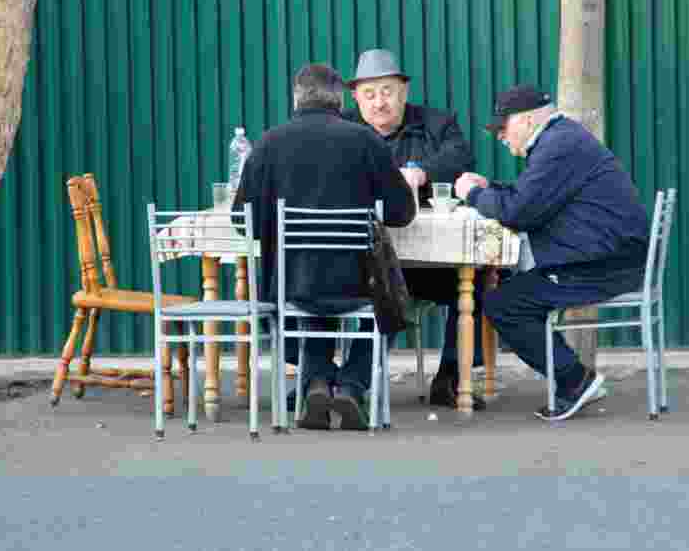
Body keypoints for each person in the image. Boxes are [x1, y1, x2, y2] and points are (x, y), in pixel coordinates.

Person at [233, 63, 416, 430]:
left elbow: (242, 220)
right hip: (357, 281)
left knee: (308, 297)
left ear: (297, 98)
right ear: (339, 99)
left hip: (290, 284)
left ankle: (317, 380)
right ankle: (351, 384)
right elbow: (400, 212)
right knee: (389, 303)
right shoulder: (365, 141)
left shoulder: (269, 142)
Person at [454, 84, 651, 421]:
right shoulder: (561, 139)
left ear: (528, 120)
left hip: (603, 264)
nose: (500, 135)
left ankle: (575, 381)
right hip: (608, 255)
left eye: (504, 126)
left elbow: (519, 212)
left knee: (504, 304)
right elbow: (529, 199)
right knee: (508, 290)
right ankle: (571, 376)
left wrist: (473, 196)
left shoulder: (557, 146)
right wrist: (490, 190)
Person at [343, 48, 487, 410]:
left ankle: (451, 378)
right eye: (369, 94)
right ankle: (348, 382)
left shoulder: (436, 123)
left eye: (387, 91)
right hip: (365, 261)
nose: (379, 102)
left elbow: (461, 158)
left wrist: (422, 172)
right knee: (376, 285)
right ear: (356, 97)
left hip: (430, 263)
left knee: (478, 280)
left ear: (404, 92)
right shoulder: (343, 130)